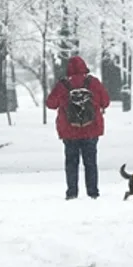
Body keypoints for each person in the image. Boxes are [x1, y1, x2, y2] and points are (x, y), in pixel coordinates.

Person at [45, 55, 111, 200]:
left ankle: (72, 192)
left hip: (69, 132)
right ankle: (93, 192)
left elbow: (50, 104)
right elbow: (105, 101)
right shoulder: (93, 82)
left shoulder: (62, 85)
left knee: (71, 163)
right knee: (91, 163)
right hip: (91, 130)